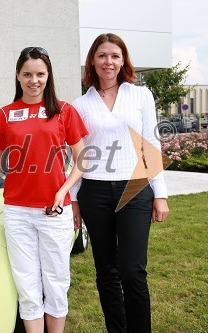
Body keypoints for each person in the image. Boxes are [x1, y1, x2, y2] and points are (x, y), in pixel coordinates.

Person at [0, 47, 88, 333]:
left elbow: (83, 160)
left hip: (55, 212)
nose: (34, 80)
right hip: (16, 212)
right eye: (27, 74)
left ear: (48, 75)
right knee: (27, 286)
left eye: (40, 74)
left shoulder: (64, 111)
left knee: (55, 284)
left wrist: (62, 189)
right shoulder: (4, 115)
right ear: (17, 75)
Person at [71, 33, 170, 333]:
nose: (108, 61)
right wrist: (74, 200)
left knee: (132, 271)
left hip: (136, 188)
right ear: (92, 61)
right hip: (95, 191)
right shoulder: (80, 104)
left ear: (123, 60)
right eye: (102, 55)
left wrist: (160, 194)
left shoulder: (141, 95)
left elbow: (151, 144)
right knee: (106, 271)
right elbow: (77, 155)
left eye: (115, 55)